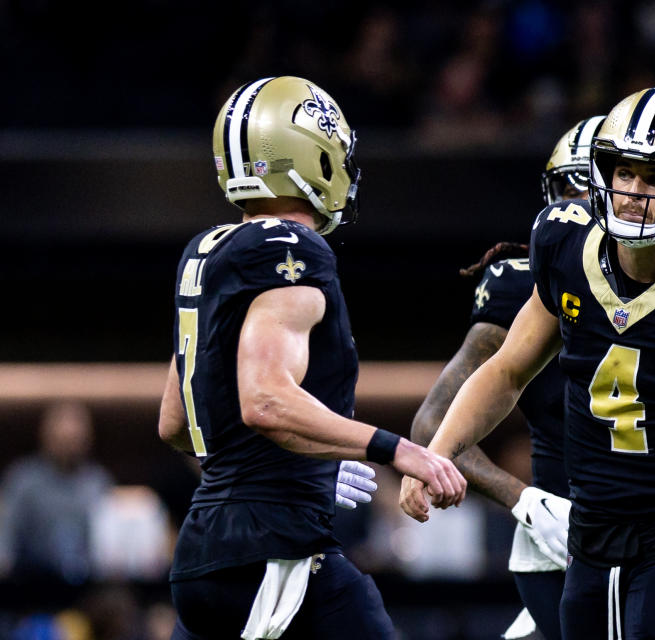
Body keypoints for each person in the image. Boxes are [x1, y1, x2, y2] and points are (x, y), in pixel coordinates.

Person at [400, 88, 655, 640]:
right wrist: (436, 455)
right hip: (589, 533)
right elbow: (507, 371)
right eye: (624, 173)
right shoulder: (564, 243)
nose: (633, 194)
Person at [157, 75, 466, 640]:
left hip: (203, 559)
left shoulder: (204, 252)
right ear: (314, 154)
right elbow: (267, 401)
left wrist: (301, 467)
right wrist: (399, 451)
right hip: (272, 554)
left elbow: (178, 423)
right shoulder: (293, 248)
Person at [404, 115, 605, 640]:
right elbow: (434, 425)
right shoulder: (525, 286)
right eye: (568, 191)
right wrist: (527, 502)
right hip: (565, 536)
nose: (576, 207)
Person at [0, 402, 112, 586]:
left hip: (88, 585)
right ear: (46, 437)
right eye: (63, 441)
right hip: (31, 582)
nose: (69, 447)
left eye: (75, 440)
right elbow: (6, 536)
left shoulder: (97, 481)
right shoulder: (24, 481)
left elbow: (108, 543)